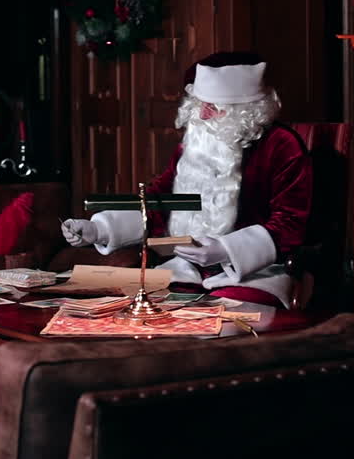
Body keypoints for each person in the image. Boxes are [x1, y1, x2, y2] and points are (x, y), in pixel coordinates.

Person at [61, 52, 312, 307]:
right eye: (199, 103)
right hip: (186, 271)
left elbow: (291, 223)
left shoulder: (282, 145)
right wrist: (100, 229)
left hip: (253, 276)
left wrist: (226, 250)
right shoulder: (198, 143)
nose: (202, 116)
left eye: (213, 107)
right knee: (119, 309)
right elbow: (162, 201)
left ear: (246, 111)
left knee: (218, 322)